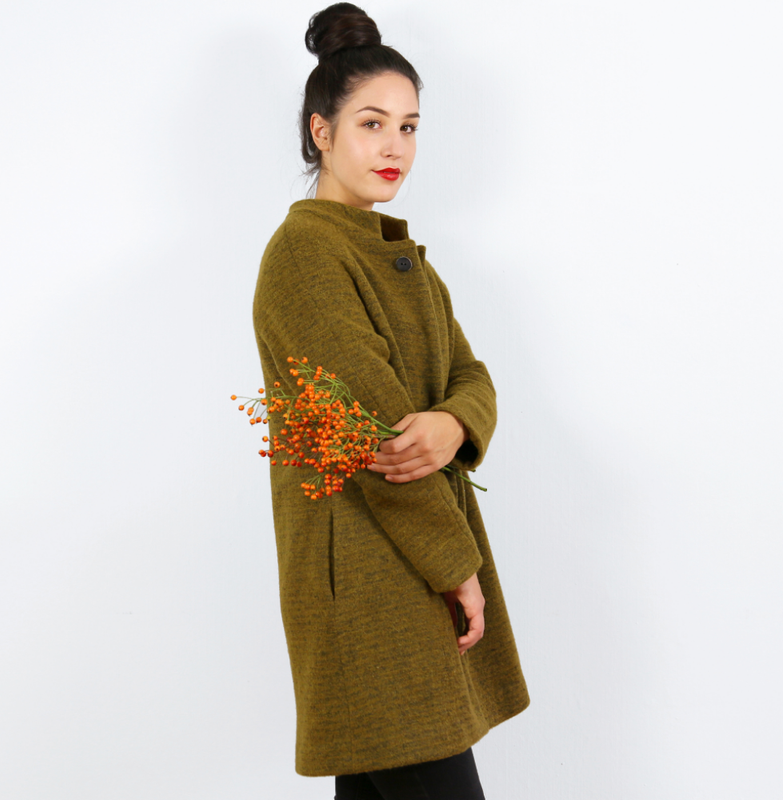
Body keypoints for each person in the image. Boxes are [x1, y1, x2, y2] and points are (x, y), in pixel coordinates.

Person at [252, 4, 529, 798]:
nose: (394, 147)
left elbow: (474, 377)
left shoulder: (401, 257)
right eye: (371, 123)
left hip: (397, 570)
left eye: (408, 127)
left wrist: (452, 421)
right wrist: (457, 566)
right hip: (368, 580)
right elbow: (375, 439)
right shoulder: (305, 255)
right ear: (321, 131)